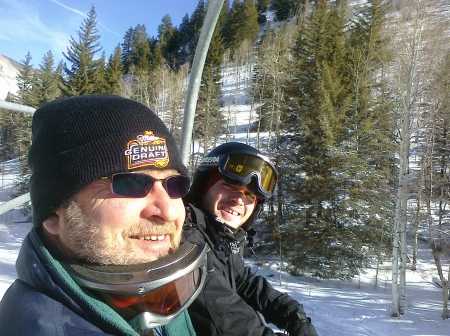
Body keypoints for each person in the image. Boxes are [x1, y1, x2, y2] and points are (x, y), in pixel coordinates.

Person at [0, 94, 207, 336]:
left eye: (175, 185)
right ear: (53, 214)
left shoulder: (165, 288)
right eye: (131, 183)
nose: (169, 211)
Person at [182, 142, 318, 336]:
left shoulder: (217, 241)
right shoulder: (185, 238)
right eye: (229, 186)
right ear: (203, 187)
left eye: (248, 195)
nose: (238, 200)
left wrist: (294, 316)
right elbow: (223, 311)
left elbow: (247, 283)